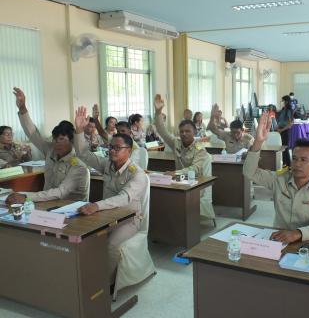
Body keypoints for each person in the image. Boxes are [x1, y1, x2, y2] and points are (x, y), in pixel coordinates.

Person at [73, 106, 149, 282]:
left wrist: (96, 205)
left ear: (128, 151)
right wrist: (78, 131)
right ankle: (87, 276)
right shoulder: (107, 164)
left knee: (111, 245)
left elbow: (123, 198)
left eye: (117, 148)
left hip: (129, 219)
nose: (112, 151)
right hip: (105, 214)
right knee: (84, 237)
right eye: (110, 147)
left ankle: (106, 284)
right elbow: (84, 153)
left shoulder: (136, 174)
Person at [243, 112, 309, 243]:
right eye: (294, 159)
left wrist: (297, 233)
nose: (297, 164)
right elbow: (249, 172)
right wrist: (258, 141)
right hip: (277, 239)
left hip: (308, 241)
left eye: (304, 160)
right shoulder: (280, 179)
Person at [6, 88, 89, 204]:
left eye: (61, 139)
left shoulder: (79, 162)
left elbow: (60, 192)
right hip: (46, 204)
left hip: (71, 209)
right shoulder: (51, 149)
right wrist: (22, 108)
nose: (57, 143)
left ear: (71, 140)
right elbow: (32, 133)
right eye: (54, 139)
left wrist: (26, 196)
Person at [154, 94, 215, 220]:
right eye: (181, 131)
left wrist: (175, 173)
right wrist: (158, 112)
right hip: (179, 178)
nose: (184, 134)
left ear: (194, 133)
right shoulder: (176, 143)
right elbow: (162, 131)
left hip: (196, 181)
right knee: (158, 189)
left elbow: (195, 169)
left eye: (188, 131)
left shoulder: (200, 148)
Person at [277, 95, 294, 167]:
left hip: (285, 131)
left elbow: (290, 124)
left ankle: (288, 165)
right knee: (283, 149)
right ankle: (285, 165)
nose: (281, 102)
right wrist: (277, 127)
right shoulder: (283, 109)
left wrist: (281, 130)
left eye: (283, 101)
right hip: (281, 130)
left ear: (286, 102)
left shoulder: (289, 111)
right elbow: (280, 121)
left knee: (285, 149)